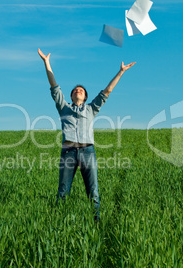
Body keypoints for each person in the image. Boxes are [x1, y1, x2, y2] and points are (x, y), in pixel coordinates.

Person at [38, 48, 135, 222]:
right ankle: (58, 226)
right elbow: (54, 86)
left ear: (85, 97)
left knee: (93, 191)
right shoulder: (64, 107)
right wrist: (46, 62)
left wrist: (121, 72)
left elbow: (107, 92)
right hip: (68, 152)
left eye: (81, 90)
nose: (78, 91)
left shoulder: (91, 109)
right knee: (62, 191)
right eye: (76, 90)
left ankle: (95, 224)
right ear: (71, 95)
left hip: (87, 151)